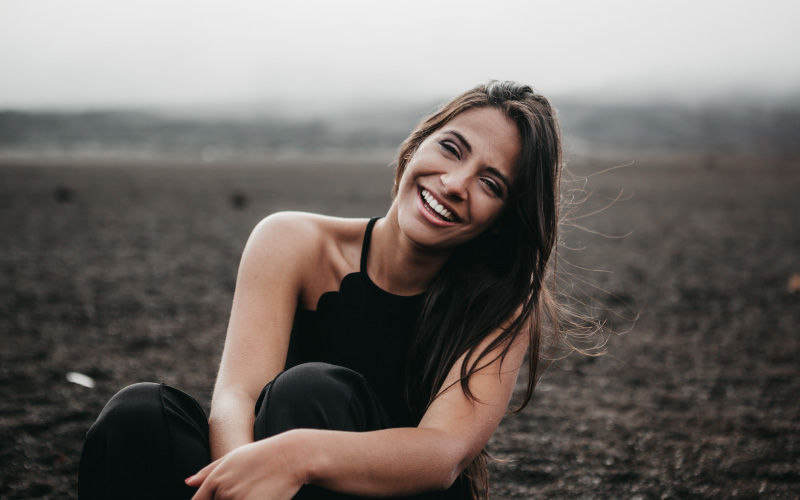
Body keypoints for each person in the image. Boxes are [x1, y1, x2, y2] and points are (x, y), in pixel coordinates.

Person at [78, 80, 565, 500]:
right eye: (451, 149)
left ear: (503, 222)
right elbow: (236, 396)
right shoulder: (291, 241)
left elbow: (443, 454)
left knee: (308, 392)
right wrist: (251, 477)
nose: (456, 182)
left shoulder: (503, 300)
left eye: (491, 184)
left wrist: (299, 455)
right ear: (418, 144)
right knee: (138, 416)